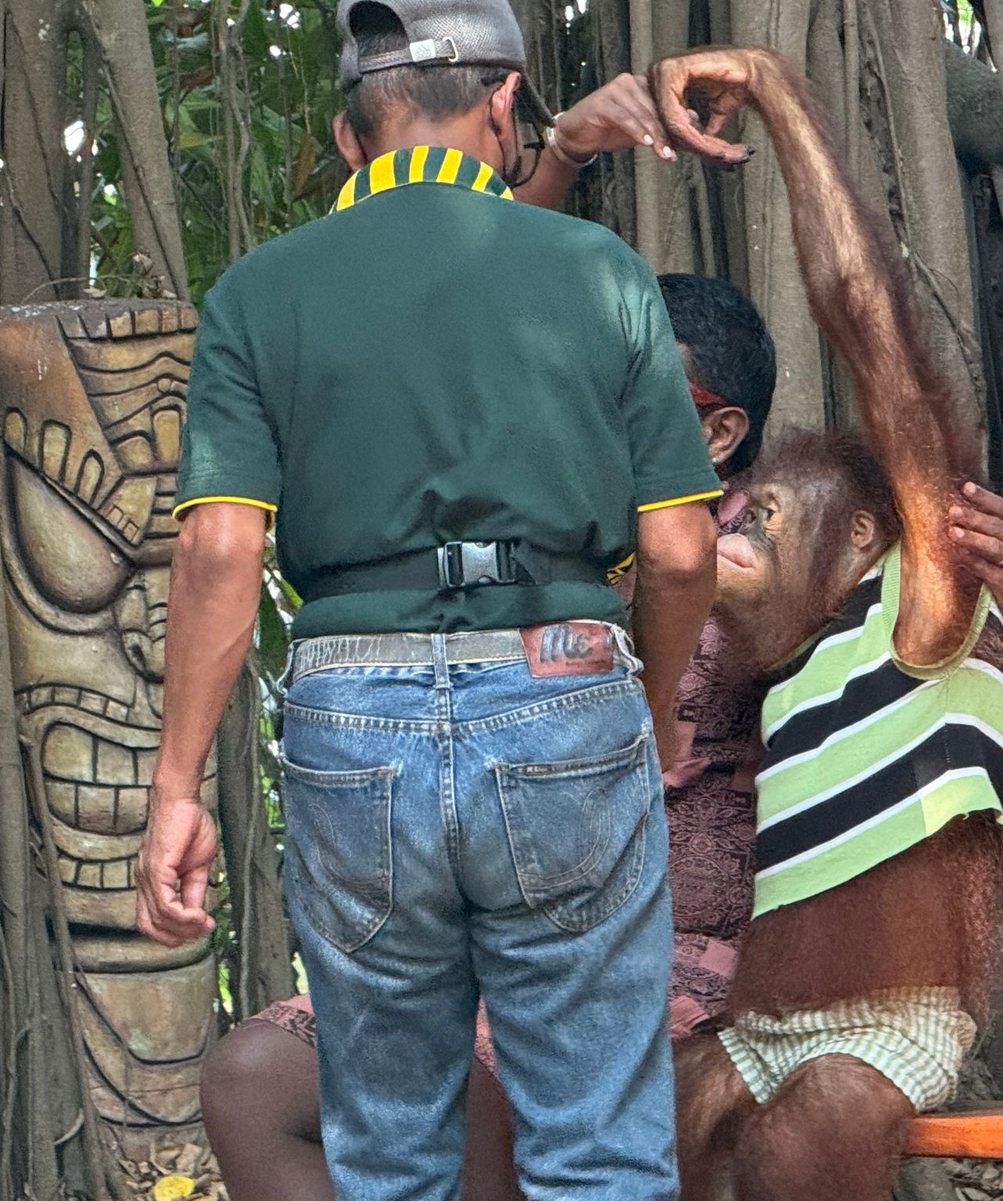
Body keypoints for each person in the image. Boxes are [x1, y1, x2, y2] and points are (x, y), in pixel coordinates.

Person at [133, 1, 722, 1197]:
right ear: (506, 105)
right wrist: (651, 707)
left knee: (389, 1149)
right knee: (599, 1146)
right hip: (563, 690)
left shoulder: (261, 292)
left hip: (353, 716)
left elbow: (221, 551)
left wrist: (178, 785)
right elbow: (674, 552)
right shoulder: (599, 272)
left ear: (352, 137)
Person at [199, 272, 779, 1201]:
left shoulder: (773, 553)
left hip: (672, 966)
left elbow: (948, 671)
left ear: (719, 434)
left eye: (636, 393)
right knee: (252, 1078)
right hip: (489, 946)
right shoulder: (560, 539)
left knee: (503, 1115)